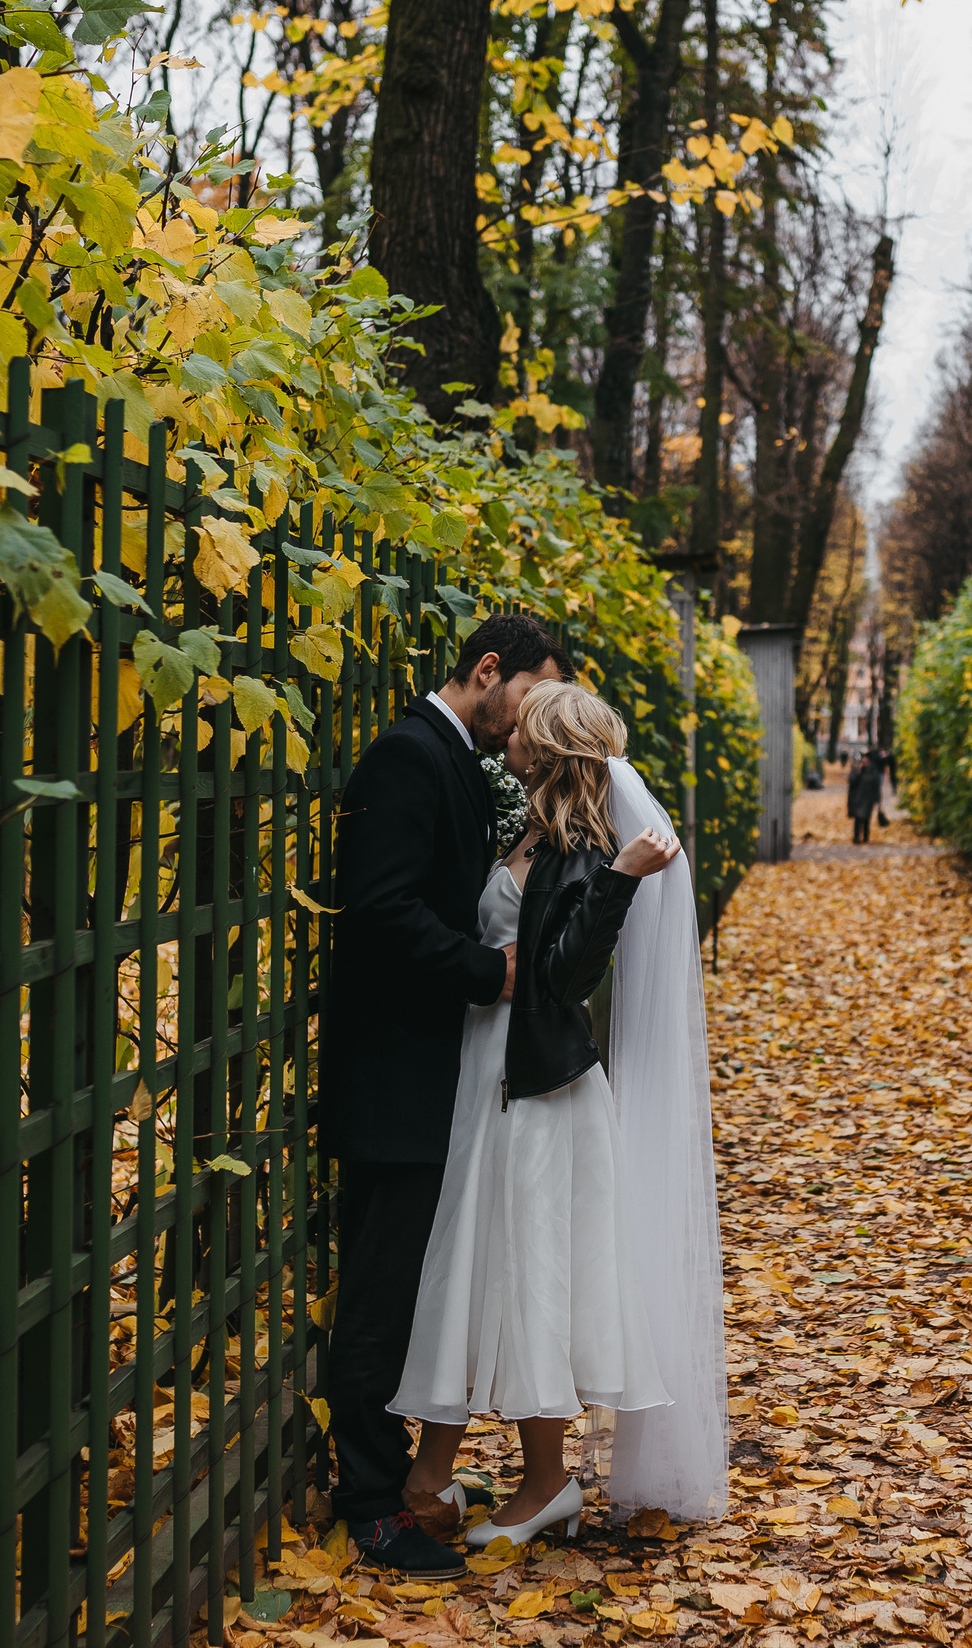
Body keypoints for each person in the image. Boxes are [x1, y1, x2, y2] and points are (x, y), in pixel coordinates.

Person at [390, 681, 730, 1547]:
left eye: (524, 726)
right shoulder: (533, 830)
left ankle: (543, 1481)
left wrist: (619, 878)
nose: (507, 729)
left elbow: (568, 975)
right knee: (480, 1263)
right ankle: (446, 1473)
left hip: (539, 1092)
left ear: (544, 745)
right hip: (491, 1074)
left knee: (524, 1269)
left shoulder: (586, 848)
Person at [320, 613, 566, 1578]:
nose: (531, 716)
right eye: (529, 692)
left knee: (410, 1292)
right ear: (488, 669)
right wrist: (485, 971)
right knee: (381, 1300)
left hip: (438, 1079)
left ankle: (400, 1484)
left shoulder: (460, 760)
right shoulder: (405, 756)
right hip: (393, 1080)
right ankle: (373, 1509)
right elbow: (378, 911)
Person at [847, 747, 884, 845]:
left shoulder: (873, 771)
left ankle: (865, 837)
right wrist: (858, 771)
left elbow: (876, 786)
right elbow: (851, 781)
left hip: (868, 798)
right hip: (857, 798)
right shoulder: (857, 770)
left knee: (866, 818)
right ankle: (856, 836)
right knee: (858, 818)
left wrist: (877, 800)